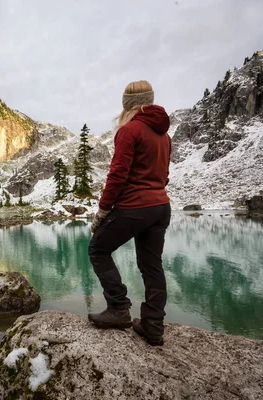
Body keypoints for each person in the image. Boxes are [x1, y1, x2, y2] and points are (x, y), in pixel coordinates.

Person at [88, 80, 172, 346]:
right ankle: (153, 326)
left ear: (128, 105)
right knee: (151, 265)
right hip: (161, 207)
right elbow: (164, 175)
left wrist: (103, 210)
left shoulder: (129, 130)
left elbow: (117, 175)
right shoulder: (164, 135)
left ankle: (118, 309)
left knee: (98, 249)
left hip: (135, 207)